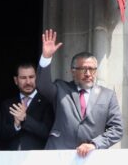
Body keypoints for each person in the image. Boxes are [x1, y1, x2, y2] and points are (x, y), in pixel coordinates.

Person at [37, 29, 123, 157]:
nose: (88, 74)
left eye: (92, 69)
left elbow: (117, 129)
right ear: (73, 71)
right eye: (83, 69)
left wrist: (94, 144)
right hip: (58, 154)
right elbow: (42, 86)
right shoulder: (61, 88)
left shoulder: (108, 95)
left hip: (91, 157)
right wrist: (46, 58)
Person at [0, 62, 54, 150]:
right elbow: (1, 135)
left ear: (37, 78)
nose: (28, 82)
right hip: (11, 158)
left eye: (31, 77)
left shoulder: (47, 102)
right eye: (23, 78)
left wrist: (25, 118)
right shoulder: (7, 104)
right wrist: (16, 126)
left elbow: (47, 132)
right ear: (16, 80)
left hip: (37, 157)